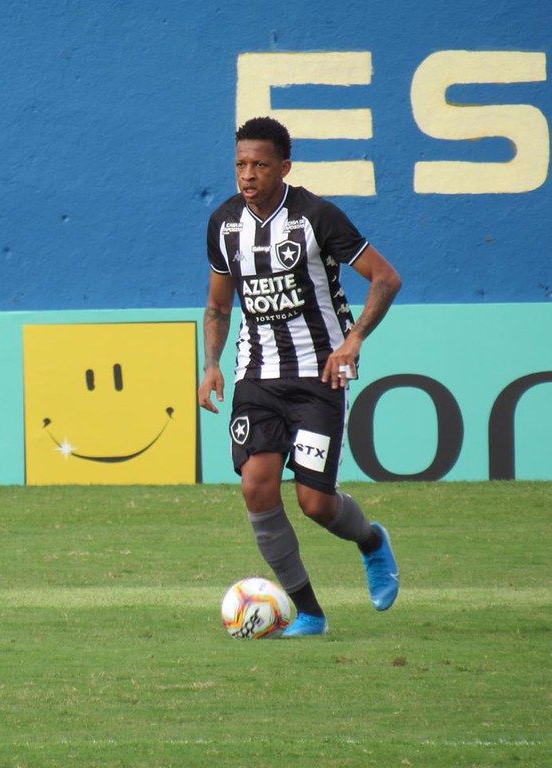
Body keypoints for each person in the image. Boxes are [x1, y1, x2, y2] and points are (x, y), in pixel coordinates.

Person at [198, 116, 402, 637]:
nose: (248, 175)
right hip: (256, 376)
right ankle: (309, 611)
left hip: (317, 376)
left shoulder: (317, 217)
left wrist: (353, 340)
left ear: (284, 167)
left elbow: (385, 278)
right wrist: (211, 365)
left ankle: (371, 541)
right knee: (256, 487)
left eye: (260, 165)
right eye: (241, 164)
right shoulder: (224, 225)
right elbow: (219, 306)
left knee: (315, 503)